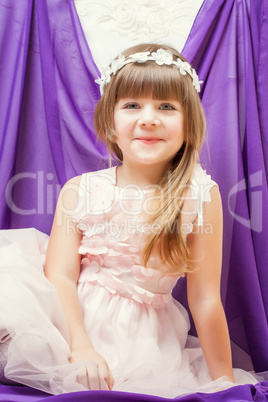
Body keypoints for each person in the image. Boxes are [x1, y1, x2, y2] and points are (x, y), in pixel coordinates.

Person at [0, 43, 264, 397]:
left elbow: (205, 299)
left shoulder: (200, 194)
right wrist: (80, 347)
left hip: (150, 342)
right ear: (110, 121)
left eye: (167, 106)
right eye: (132, 105)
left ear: (189, 122)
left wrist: (224, 382)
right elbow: (60, 276)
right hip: (71, 324)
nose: (149, 118)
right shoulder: (81, 190)